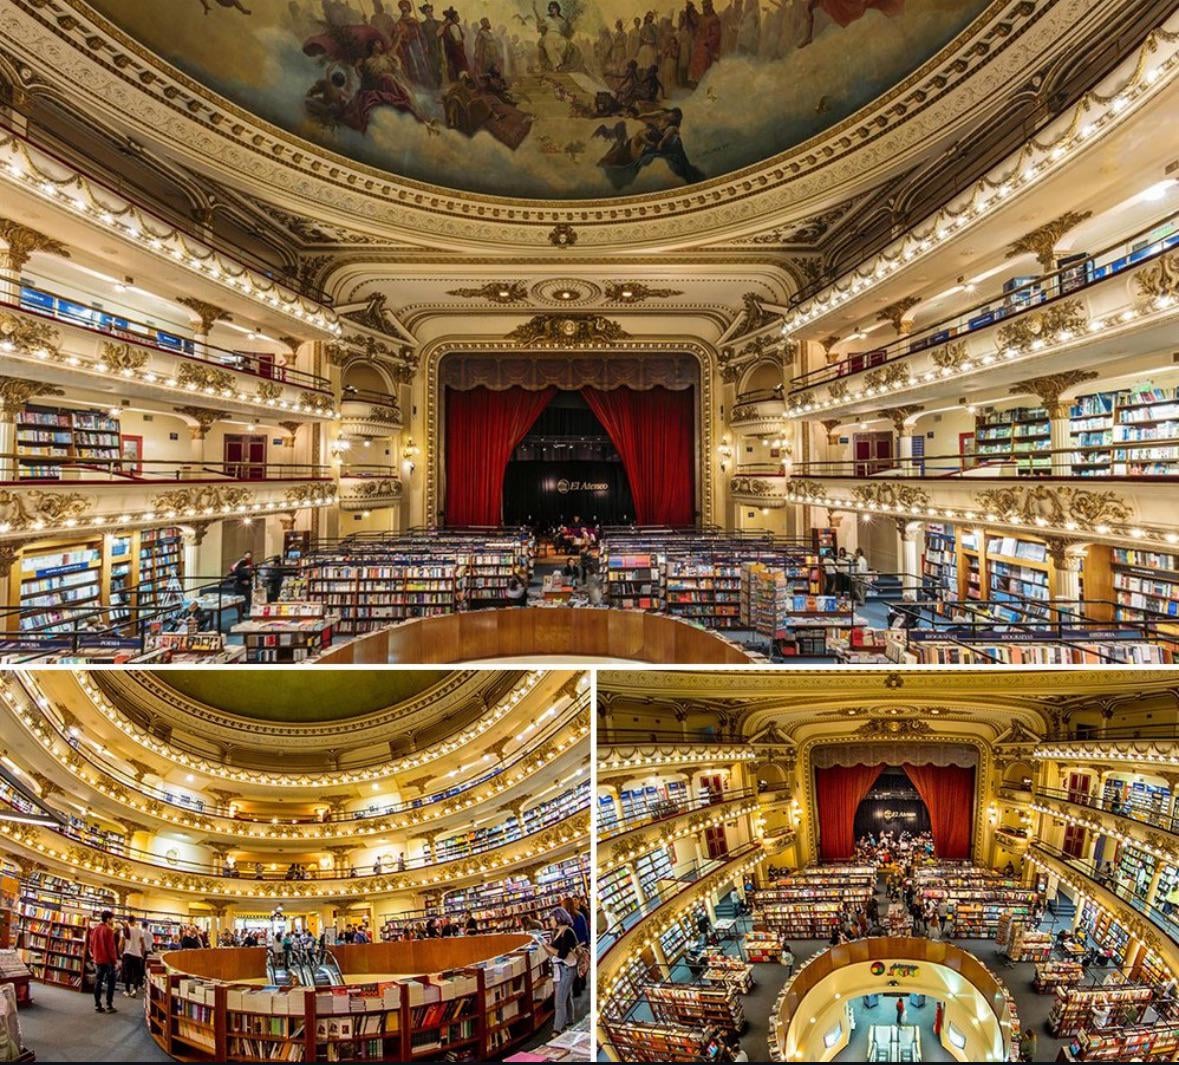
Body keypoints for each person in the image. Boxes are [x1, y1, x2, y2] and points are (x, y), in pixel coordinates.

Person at [544, 907, 579, 1034]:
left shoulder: (567, 932)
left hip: (567, 968)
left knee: (559, 1000)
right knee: (566, 995)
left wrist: (548, 946)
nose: (550, 922)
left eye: (552, 919)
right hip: (561, 968)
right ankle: (569, 1020)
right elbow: (553, 954)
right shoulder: (557, 932)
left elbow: (562, 954)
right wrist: (546, 947)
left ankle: (557, 1029)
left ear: (559, 919)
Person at [89, 911, 119, 1014]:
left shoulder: (95, 929)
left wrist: (94, 956)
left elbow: (91, 945)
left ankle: (97, 1005)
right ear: (108, 919)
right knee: (111, 983)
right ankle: (109, 1005)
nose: (113, 920)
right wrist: (115, 961)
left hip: (98, 960)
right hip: (107, 961)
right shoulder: (109, 930)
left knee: (98, 982)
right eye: (112, 918)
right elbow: (111, 948)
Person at [121, 915, 151, 997]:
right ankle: (134, 990)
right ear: (135, 921)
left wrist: (120, 952)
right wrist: (142, 953)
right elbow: (142, 943)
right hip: (137, 955)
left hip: (127, 953)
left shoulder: (125, 930)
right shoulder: (140, 931)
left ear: (128, 921)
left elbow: (121, 943)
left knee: (128, 973)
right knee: (136, 973)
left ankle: (127, 990)